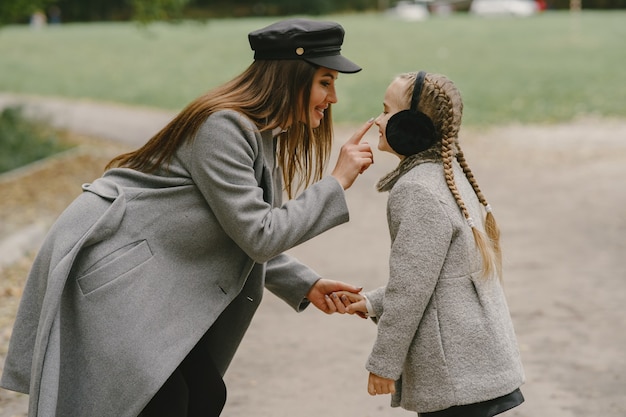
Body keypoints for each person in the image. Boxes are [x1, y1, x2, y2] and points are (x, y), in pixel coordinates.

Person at [0, 18, 374, 417]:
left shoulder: (260, 131)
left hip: (150, 282)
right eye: (325, 82)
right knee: (162, 400)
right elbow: (258, 235)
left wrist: (306, 283)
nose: (332, 97)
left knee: (204, 394)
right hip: (119, 279)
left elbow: (237, 224)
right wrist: (336, 182)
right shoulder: (224, 126)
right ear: (290, 78)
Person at [342, 71, 525, 416]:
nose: (377, 121)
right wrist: (370, 302)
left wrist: (384, 363)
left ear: (411, 125)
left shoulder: (416, 190)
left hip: (456, 377)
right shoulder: (448, 174)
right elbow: (434, 276)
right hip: (476, 366)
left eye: (385, 111)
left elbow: (412, 289)